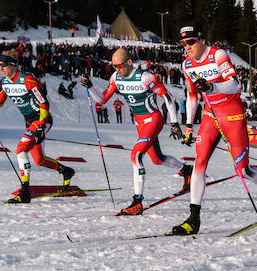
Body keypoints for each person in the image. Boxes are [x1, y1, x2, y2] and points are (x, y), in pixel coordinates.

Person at [172, 21, 257, 235]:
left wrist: (212, 86)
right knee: (199, 163)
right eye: (183, 44)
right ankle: (193, 219)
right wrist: (189, 125)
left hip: (233, 116)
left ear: (202, 39)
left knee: (243, 170)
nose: (187, 47)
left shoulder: (217, 55)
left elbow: (235, 85)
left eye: (191, 42)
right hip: (211, 116)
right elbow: (192, 95)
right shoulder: (187, 64)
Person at [80, 48, 191, 215]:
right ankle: (187, 171)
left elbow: (168, 97)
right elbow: (102, 100)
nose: (117, 69)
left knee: (136, 155)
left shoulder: (145, 77)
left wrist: (174, 123)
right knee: (157, 159)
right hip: (140, 123)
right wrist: (90, 86)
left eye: (120, 65)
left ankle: (137, 202)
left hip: (153, 119)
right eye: (114, 66)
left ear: (129, 62)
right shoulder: (116, 78)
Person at [0, 49, 75, 203]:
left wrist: (41, 126)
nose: (0, 69)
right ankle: (66, 171)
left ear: (13, 65)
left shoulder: (27, 80)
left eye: (3, 65)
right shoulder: (4, 82)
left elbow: (44, 103)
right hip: (30, 122)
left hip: (41, 119)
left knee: (21, 149)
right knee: (39, 159)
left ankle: (25, 193)